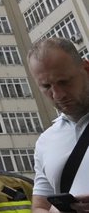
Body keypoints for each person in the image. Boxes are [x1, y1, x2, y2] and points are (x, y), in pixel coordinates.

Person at [28, 38, 89, 213]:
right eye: (46, 86)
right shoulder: (45, 141)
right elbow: (40, 207)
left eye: (64, 82)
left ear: (86, 68)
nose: (58, 94)